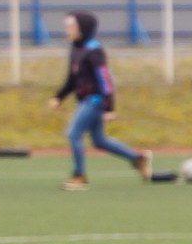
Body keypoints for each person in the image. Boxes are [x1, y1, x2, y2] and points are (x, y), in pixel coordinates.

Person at [49, 10, 151, 190]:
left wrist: (109, 107)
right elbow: (72, 79)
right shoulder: (76, 48)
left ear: (82, 28)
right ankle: (137, 159)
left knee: (73, 133)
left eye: (71, 26)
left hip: (95, 100)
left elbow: (105, 79)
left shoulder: (94, 50)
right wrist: (59, 96)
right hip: (84, 100)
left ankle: (79, 176)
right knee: (99, 141)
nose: (66, 29)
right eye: (66, 26)